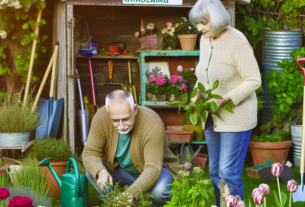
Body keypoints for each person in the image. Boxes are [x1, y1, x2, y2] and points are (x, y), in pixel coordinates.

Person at [189, 0, 261, 206]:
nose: (199, 28)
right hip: (212, 116)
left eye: (204, 23)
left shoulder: (237, 41)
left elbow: (254, 80)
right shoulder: (205, 40)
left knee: (228, 171)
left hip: (236, 116)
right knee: (214, 170)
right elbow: (202, 75)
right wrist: (196, 95)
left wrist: (224, 99)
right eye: (197, 23)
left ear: (218, 19)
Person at [82, 90, 179, 205]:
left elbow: (153, 168)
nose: (122, 126)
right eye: (115, 120)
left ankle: (142, 200)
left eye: (126, 119)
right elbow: (89, 153)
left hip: (157, 172)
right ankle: (116, 203)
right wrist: (100, 171)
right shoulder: (101, 118)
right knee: (93, 171)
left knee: (159, 193)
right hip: (125, 172)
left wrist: (132, 192)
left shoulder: (152, 123)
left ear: (135, 109)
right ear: (108, 113)